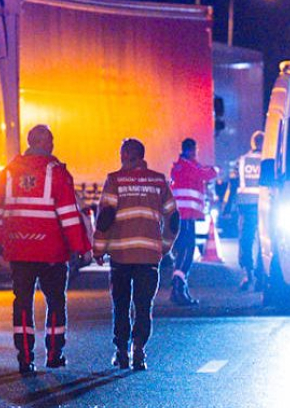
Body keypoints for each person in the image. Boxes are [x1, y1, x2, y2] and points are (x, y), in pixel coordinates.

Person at [0, 124, 92, 374]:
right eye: (52, 140)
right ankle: (54, 354)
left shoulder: (9, 172)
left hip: (20, 250)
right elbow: (68, 215)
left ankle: (25, 356)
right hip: (52, 253)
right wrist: (80, 247)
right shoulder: (57, 173)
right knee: (55, 301)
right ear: (44, 143)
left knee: (22, 301)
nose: (54, 145)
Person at [93, 139, 177, 371]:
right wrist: (165, 245)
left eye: (123, 154)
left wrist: (99, 249)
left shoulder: (115, 180)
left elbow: (105, 217)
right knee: (143, 306)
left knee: (120, 305)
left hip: (121, 255)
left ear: (128, 155)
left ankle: (121, 351)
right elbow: (173, 217)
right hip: (149, 255)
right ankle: (138, 350)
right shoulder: (158, 181)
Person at [168, 136, 218, 306]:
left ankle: (179, 288)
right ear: (189, 150)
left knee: (184, 250)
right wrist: (215, 170)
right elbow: (206, 174)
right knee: (187, 251)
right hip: (186, 215)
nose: (197, 154)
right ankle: (178, 287)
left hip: (182, 215)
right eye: (195, 151)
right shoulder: (187, 165)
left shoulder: (181, 166)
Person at [232, 131, 267, 292]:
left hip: (246, 205)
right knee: (264, 239)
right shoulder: (267, 160)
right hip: (264, 204)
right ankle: (262, 276)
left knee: (246, 240)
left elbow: (233, 184)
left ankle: (248, 274)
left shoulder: (242, 160)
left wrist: (228, 206)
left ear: (252, 143)